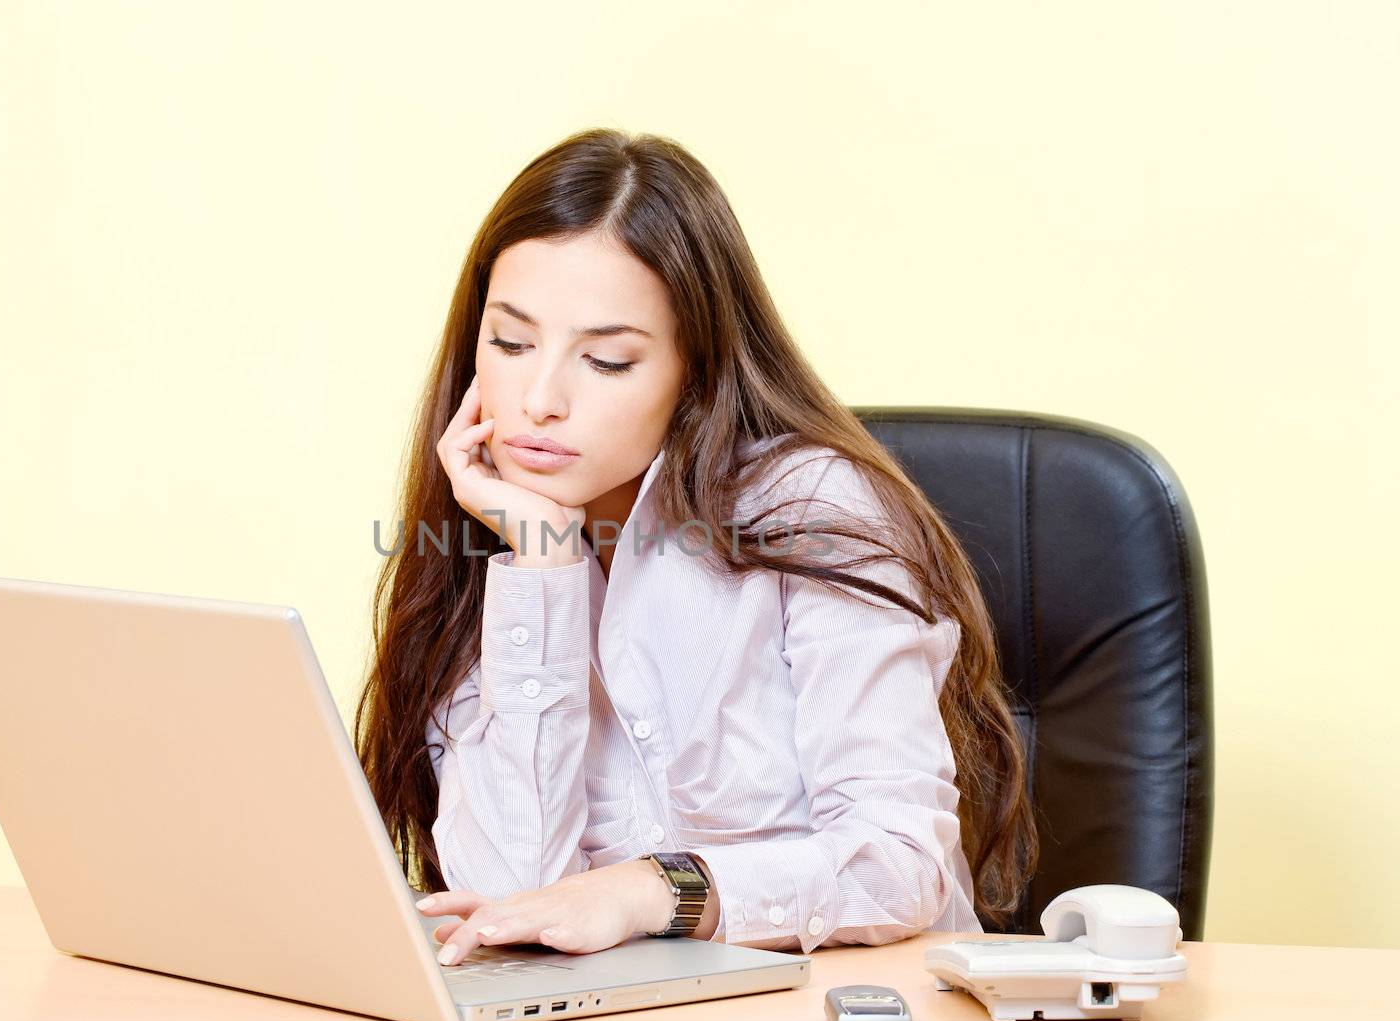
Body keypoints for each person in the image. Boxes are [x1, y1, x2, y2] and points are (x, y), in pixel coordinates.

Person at [353, 127, 1036, 968]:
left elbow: (901, 862)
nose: (539, 399)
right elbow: (511, 896)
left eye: (606, 360)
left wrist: (651, 889)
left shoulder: (813, 505)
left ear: (695, 369)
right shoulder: (480, 541)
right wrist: (542, 562)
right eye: (512, 342)